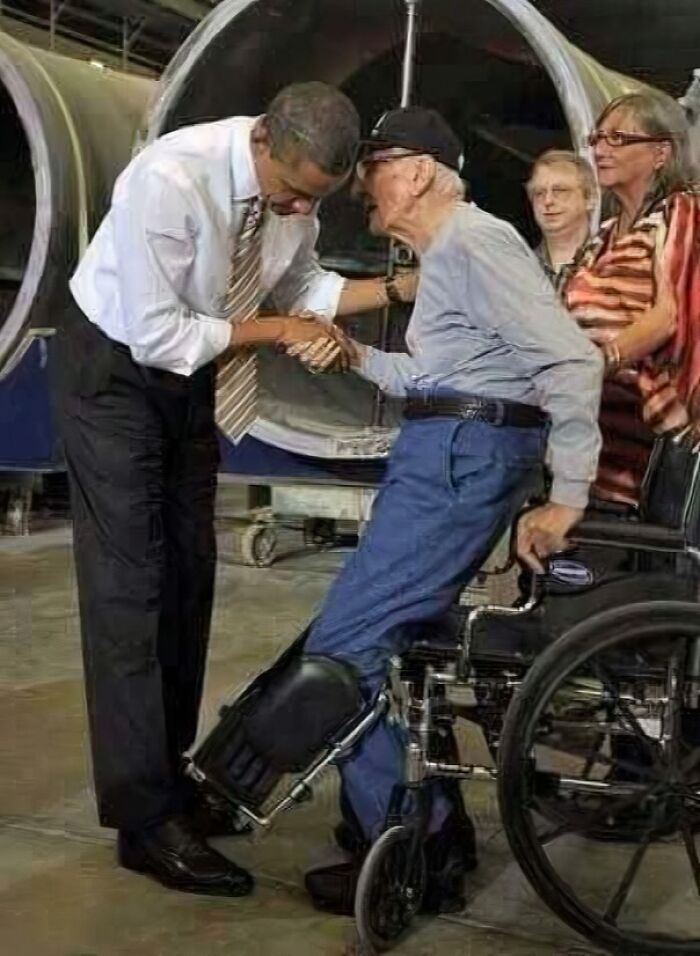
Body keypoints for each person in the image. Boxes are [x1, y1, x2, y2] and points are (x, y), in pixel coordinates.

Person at [53, 81, 418, 898]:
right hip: (114, 370)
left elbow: (305, 289)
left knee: (189, 574)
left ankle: (169, 781)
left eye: (314, 199)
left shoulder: (296, 198)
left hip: (191, 378)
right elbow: (158, 332)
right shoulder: (170, 179)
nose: (297, 207)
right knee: (130, 589)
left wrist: (401, 289)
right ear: (261, 141)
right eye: (290, 191)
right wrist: (281, 332)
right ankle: (143, 823)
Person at [286, 106, 603, 913]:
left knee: (345, 653)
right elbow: (438, 380)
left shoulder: (475, 240)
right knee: (367, 645)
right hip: (445, 452)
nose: (363, 184)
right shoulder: (451, 255)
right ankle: (412, 827)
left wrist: (568, 495)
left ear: (422, 170)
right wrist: (355, 354)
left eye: (376, 165)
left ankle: (418, 851)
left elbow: (569, 362)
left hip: (458, 464)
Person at [564, 90, 700, 508]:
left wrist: (596, 364)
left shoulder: (681, 211)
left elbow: (668, 316)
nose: (601, 149)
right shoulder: (601, 237)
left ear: (661, 152)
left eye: (618, 138)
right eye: (597, 138)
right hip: (597, 451)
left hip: (657, 445)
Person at [526, 149, 595, 292]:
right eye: (539, 193)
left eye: (560, 191)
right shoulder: (517, 269)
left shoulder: (612, 262)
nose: (548, 201)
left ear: (590, 198)